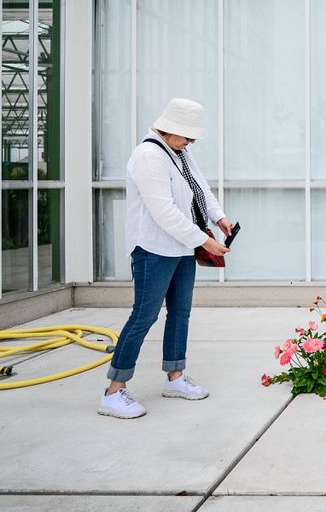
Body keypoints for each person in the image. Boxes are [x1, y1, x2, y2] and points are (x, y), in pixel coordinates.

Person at [98, 98, 235, 419]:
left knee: (180, 313)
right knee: (143, 317)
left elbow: (200, 189)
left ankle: (175, 377)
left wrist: (219, 218)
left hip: (181, 248)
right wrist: (206, 242)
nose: (191, 143)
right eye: (187, 136)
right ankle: (113, 392)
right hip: (153, 250)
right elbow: (164, 212)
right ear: (170, 128)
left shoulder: (179, 153)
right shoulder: (148, 156)